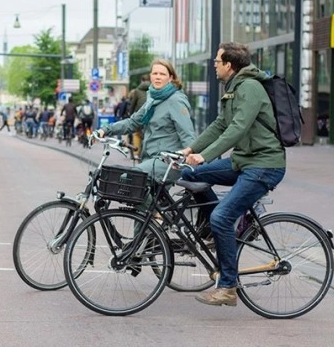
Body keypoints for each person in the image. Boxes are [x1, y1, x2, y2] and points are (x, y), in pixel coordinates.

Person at [179, 42, 286, 307]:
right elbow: (219, 125)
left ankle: (228, 287)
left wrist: (205, 155)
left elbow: (237, 129)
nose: (214, 65)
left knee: (222, 216)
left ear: (229, 65)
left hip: (264, 165)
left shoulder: (249, 88)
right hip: (244, 161)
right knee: (191, 174)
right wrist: (191, 149)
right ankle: (215, 231)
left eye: (217, 61)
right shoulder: (234, 88)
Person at [95, 58, 196, 191]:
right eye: (155, 73)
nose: (158, 77)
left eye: (162, 74)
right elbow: (133, 122)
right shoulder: (152, 99)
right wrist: (105, 130)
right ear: (150, 76)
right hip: (150, 158)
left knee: (129, 179)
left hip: (168, 161)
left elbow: (187, 134)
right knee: (138, 195)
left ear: (171, 78)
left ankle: (155, 207)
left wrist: (191, 159)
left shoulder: (175, 100)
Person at [128, 73, 151, 159]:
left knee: (137, 134)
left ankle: (136, 153)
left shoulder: (137, 91)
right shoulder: (154, 89)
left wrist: (130, 115)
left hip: (139, 115)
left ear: (142, 81)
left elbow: (133, 105)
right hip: (150, 116)